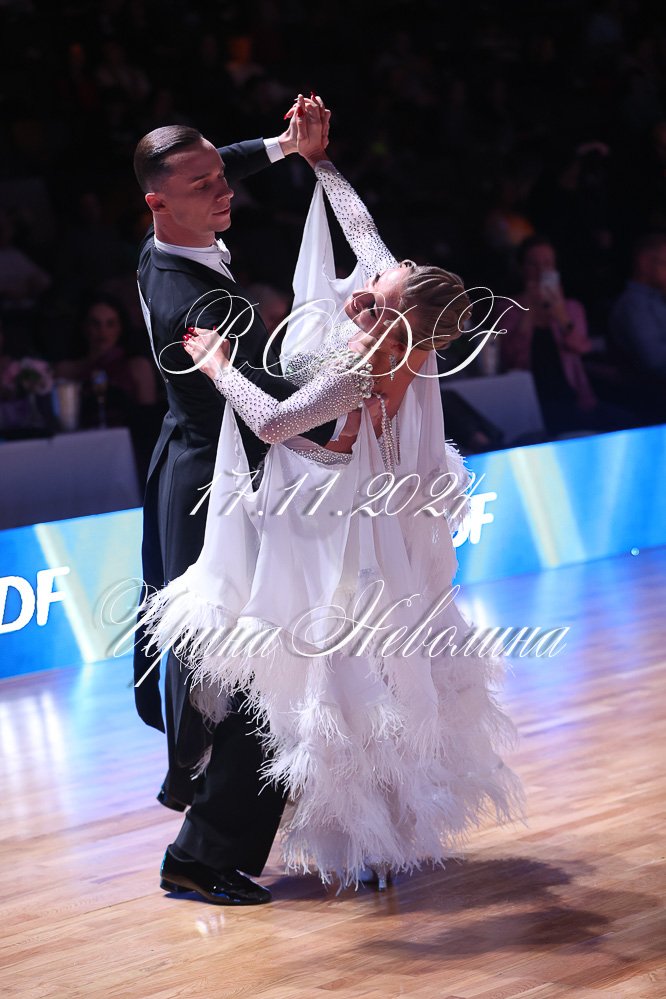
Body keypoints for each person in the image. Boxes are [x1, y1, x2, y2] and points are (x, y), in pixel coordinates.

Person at [141, 96, 525, 893]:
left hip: (331, 526)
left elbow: (276, 419)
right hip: (333, 514)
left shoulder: (358, 369)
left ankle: (210, 817)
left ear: (396, 326)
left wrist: (220, 366)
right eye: (379, 276)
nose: (363, 284)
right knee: (293, 673)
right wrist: (312, 159)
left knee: (295, 672)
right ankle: (204, 791)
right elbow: (362, 232)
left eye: (378, 291)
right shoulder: (399, 338)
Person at [131, 104, 379, 907]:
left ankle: (201, 800)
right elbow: (266, 407)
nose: (223, 190)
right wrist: (352, 371)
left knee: (235, 660)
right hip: (219, 489)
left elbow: (217, 160)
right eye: (204, 185)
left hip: (193, 465)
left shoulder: (165, 242)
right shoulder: (197, 306)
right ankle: (200, 853)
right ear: (158, 201)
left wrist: (283, 146)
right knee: (259, 667)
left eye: (221, 174)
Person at [500, 235, 628, 434]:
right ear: (522, 268)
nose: (541, 271)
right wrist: (528, 311)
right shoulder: (507, 308)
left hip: (573, 397)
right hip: (530, 401)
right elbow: (511, 360)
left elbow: (581, 347)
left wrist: (560, 313)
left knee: (625, 421)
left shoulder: (572, 308)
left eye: (547, 263)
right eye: (533, 264)